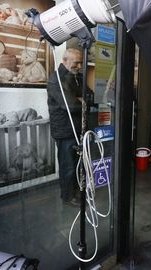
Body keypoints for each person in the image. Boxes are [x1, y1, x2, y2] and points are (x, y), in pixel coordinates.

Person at [47, 48, 92, 206]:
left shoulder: (76, 77)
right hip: (65, 130)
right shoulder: (55, 80)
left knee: (77, 164)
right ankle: (67, 197)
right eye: (76, 63)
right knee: (68, 166)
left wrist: (81, 99)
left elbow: (90, 96)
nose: (79, 66)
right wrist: (80, 100)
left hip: (77, 127)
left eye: (80, 63)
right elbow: (71, 105)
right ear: (64, 61)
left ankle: (76, 192)